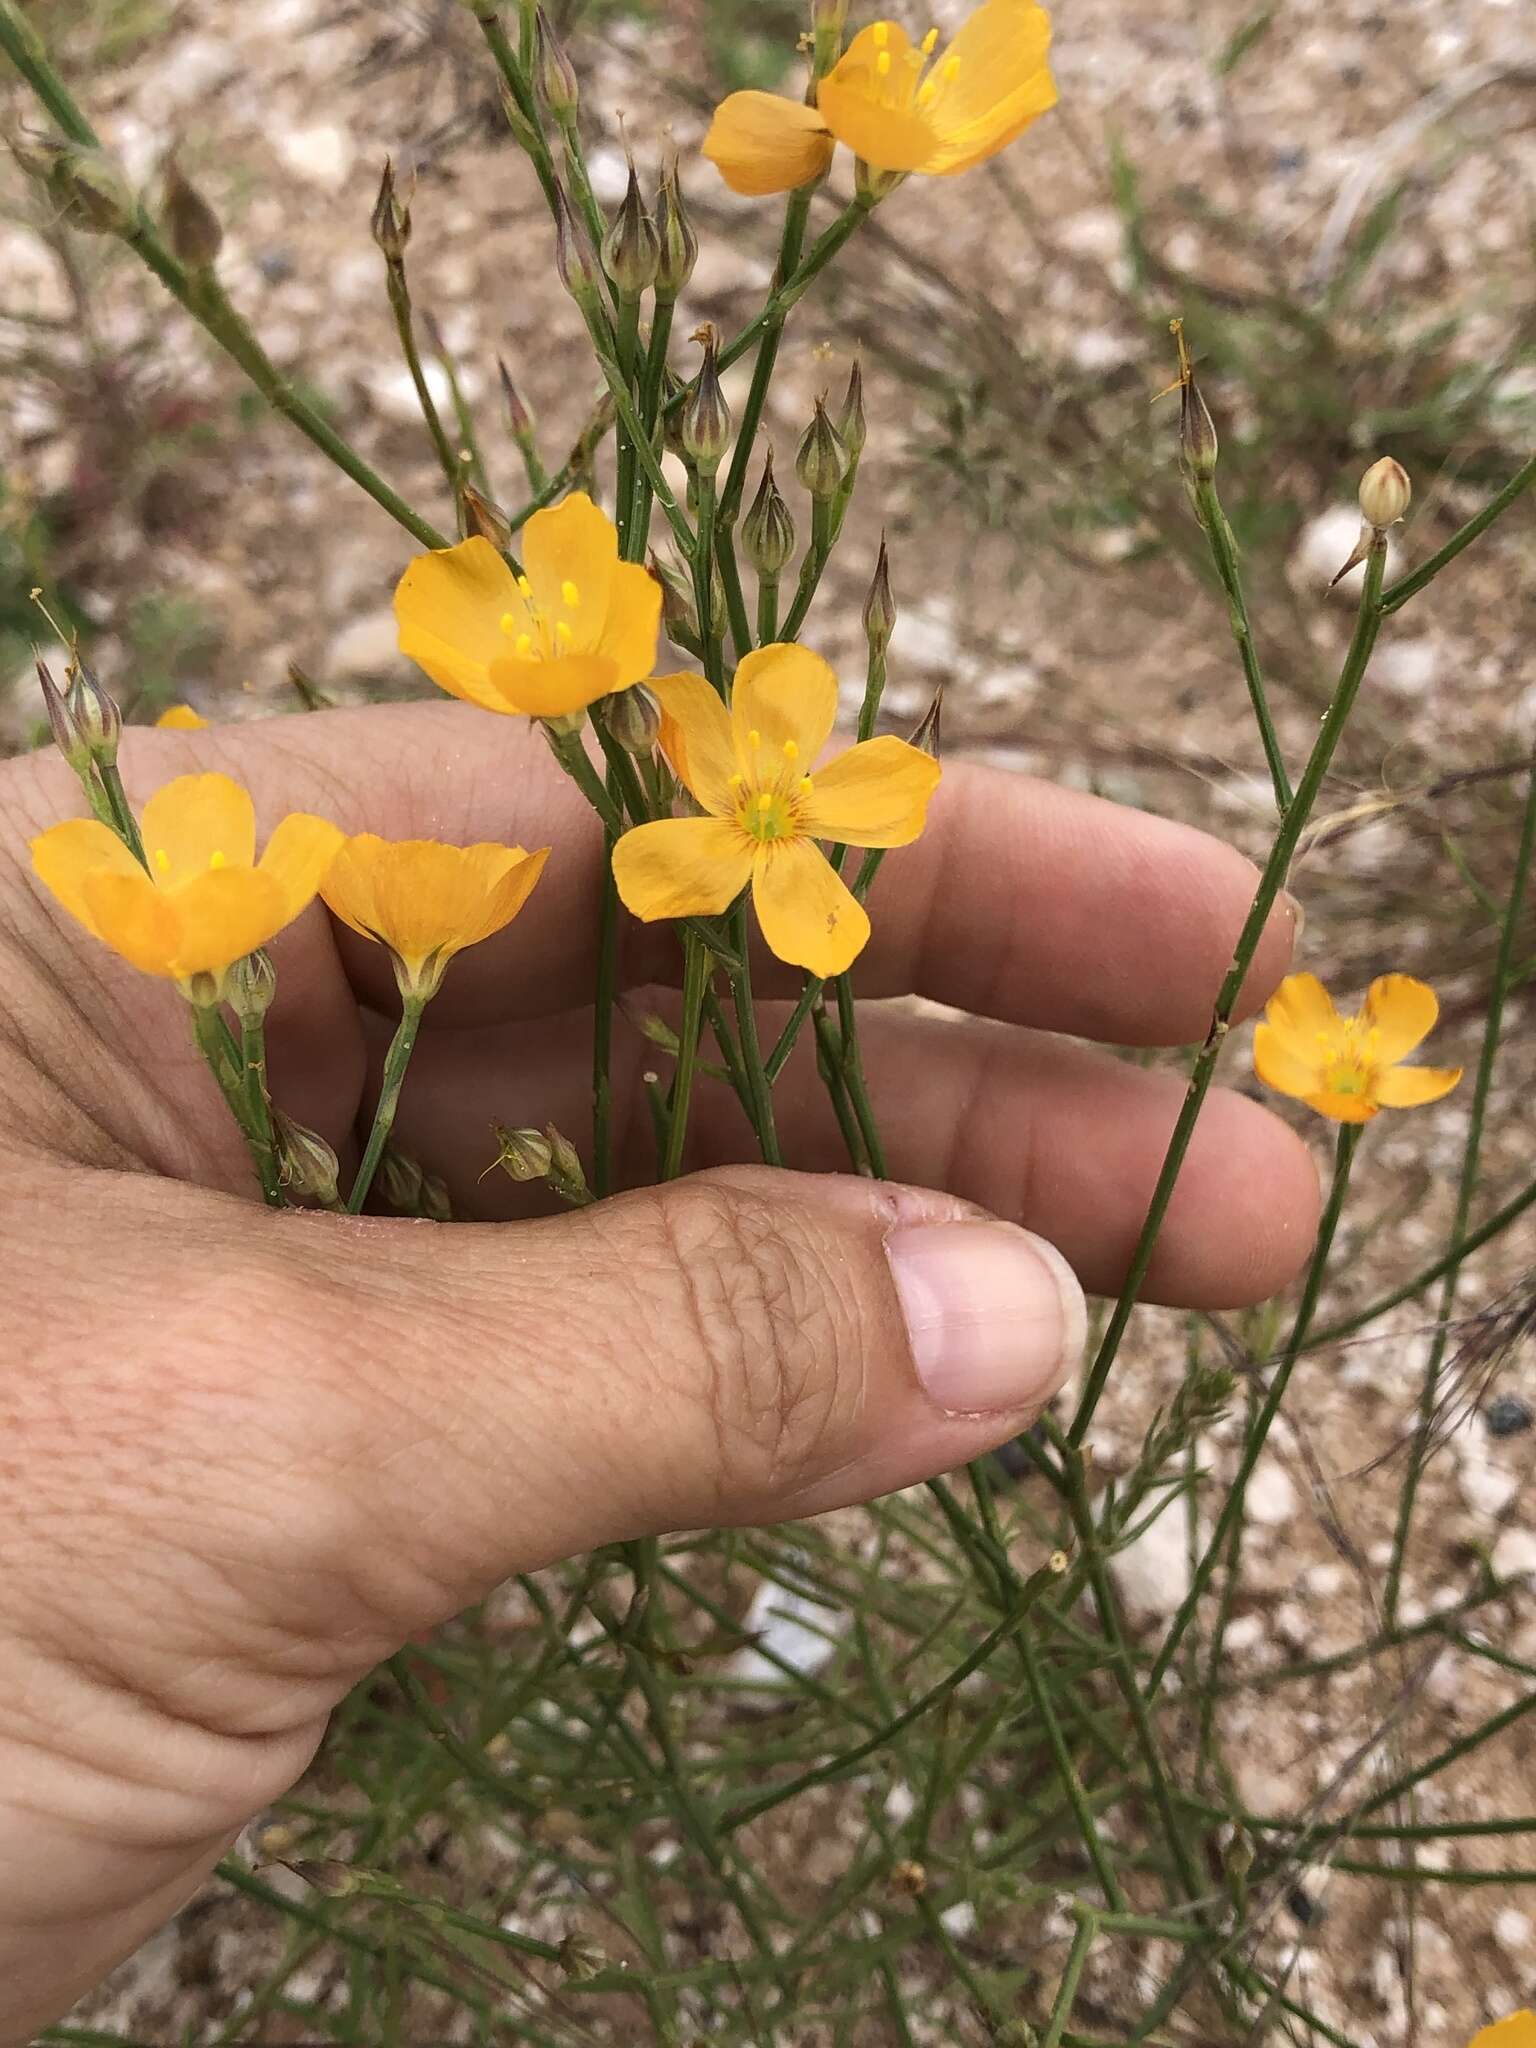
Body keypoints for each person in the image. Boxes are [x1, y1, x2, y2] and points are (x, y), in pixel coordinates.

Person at [0, 701, 1318, 2038]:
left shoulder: (784, 832)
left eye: (777, 805)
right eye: (754, 801)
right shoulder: (680, 840)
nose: (766, 810)